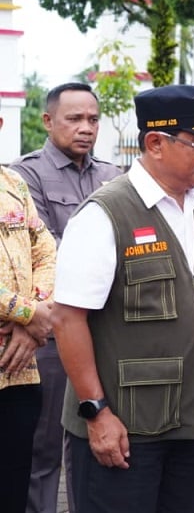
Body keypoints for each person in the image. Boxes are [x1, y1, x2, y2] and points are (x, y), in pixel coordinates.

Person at [51, 85, 194, 512]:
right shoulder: (105, 214)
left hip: (189, 424)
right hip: (124, 430)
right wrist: (96, 413)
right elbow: (67, 319)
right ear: (155, 143)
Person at [11, 82, 121, 513]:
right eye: (74, 119)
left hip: (107, 333)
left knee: (97, 437)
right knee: (43, 449)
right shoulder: (25, 176)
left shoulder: (112, 176)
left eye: (92, 119)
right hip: (52, 334)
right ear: (48, 121)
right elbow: (44, 251)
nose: (85, 128)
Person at [0, 132, 57, 513]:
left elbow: (46, 249)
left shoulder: (13, 182)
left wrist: (34, 318)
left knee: (14, 477)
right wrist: (29, 314)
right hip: (20, 335)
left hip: (18, 366)